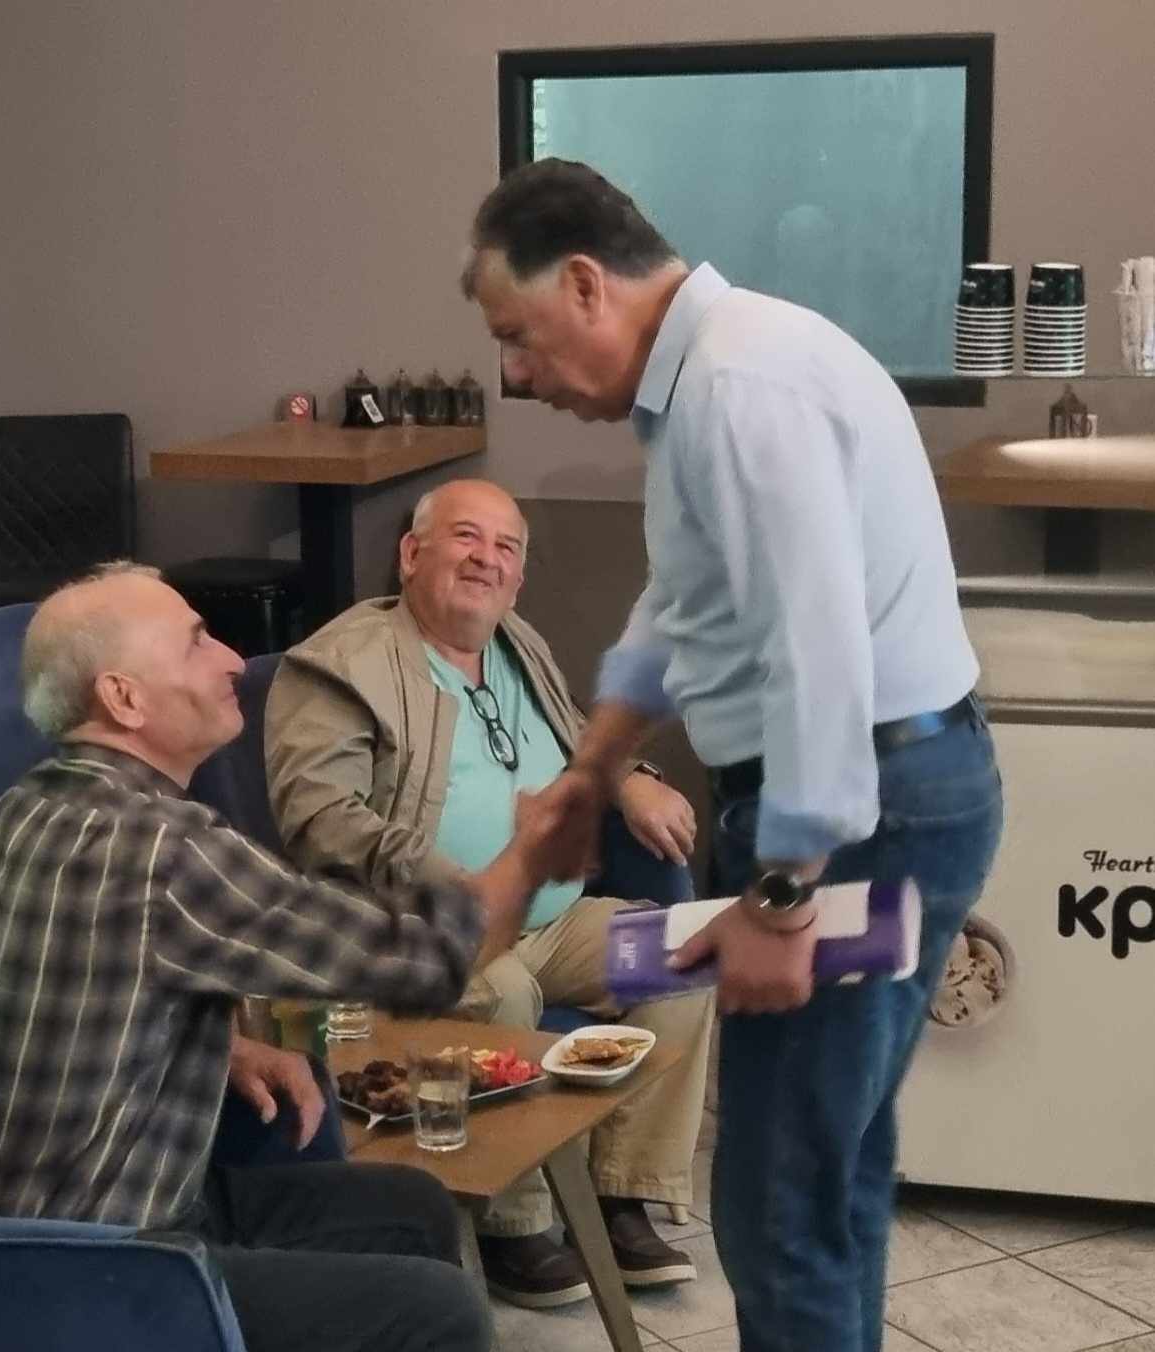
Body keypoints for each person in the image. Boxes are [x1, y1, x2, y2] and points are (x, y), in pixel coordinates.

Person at [460, 158, 1003, 1352]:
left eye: (516, 335)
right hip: (889, 792)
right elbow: (687, 606)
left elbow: (817, 648)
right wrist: (587, 775)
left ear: (587, 283)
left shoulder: (739, 387)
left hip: (866, 811)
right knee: (824, 1179)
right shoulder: (710, 381)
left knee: (778, 1202)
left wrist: (783, 891)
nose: (517, 373)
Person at [0, 562, 563, 1352]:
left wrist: (225, 1047)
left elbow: (57, 994)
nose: (233, 659)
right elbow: (428, 958)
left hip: (12, 1238)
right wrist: (533, 846)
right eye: (197, 642)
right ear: (124, 698)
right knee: (441, 1312)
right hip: (92, 1273)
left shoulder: (22, 809)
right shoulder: (162, 848)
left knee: (414, 1210)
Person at [265, 478, 715, 1308]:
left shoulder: (515, 640)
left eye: (506, 547)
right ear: (411, 554)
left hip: (551, 921)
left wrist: (631, 780)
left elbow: (575, 733)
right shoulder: (339, 666)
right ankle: (517, 1222)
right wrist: (462, 885)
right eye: (466, 537)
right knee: (503, 989)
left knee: (681, 953)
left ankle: (620, 1194)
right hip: (421, 933)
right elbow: (319, 818)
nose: (487, 560)